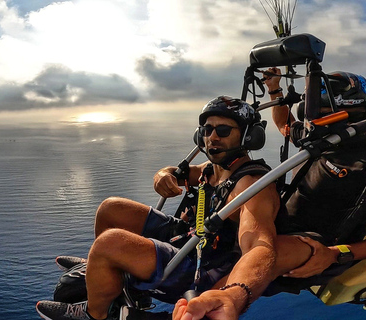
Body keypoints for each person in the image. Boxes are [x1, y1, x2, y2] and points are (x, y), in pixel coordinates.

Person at [36, 96, 282, 320]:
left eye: (223, 130)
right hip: (189, 237)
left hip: (202, 265)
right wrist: (162, 175)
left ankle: (96, 313)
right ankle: (103, 271)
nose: (212, 137)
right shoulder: (214, 169)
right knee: (110, 209)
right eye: (207, 130)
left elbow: (259, 246)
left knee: (109, 243)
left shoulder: (252, 187)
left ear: (248, 137)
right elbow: (174, 172)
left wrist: (233, 296)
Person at [259, 67, 366, 292]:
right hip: (274, 228)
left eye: (322, 115)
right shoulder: (318, 138)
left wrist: (338, 254)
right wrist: (274, 89)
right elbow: (284, 125)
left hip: (309, 250)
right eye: (312, 114)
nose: (311, 122)